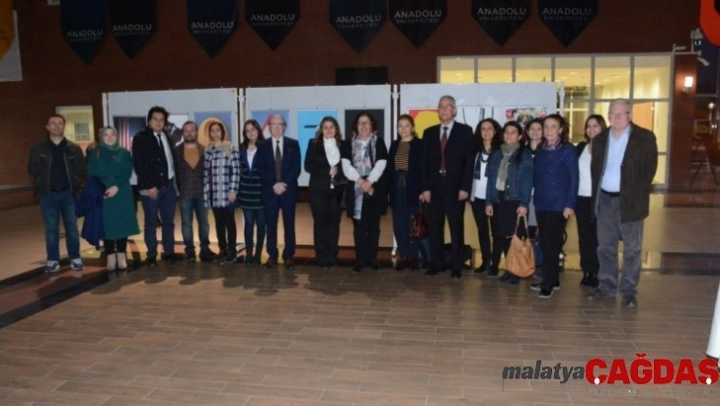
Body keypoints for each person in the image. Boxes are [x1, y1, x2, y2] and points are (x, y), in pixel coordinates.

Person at [588, 99, 658, 308]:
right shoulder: (600, 139)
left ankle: (628, 291)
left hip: (630, 202)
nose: (616, 117)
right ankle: (607, 287)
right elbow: (595, 169)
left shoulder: (644, 138)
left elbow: (650, 169)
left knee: (632, 249)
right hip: (604, 200)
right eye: (612, 113)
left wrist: (635, 192)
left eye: (621, 113)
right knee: (605, 247)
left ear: (630, 115)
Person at [420, 95, 475, 280]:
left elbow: (469, 163)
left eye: (447, 106)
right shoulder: (429, 133)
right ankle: (436, 264)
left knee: (456, 228)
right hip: (434, 189)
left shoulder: (465, 131)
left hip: (456, 189)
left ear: (454, 110)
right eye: (441, 106)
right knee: (435, 228)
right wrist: (425, 188)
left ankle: (456, 267)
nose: (444, 109)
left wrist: (465, 188)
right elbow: (424, 163)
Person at [28, 114, 86, 273]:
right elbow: (32, 169)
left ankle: (75, 258)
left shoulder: (73, 149)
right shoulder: (39, 149)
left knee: (72, 228)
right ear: (47, 127)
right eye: (53, 123)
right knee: (51, 229)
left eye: (60, 123)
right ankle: (53, 260)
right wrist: (41, 183)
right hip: (48, 195)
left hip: (68, 194)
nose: (57, 126)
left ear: (64, 126)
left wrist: (76, 184)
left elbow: (81, 169)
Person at [530, 114, 579, 299]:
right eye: (546, 126)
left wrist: (570, 204)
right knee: (545, 242)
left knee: (551, 244)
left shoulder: (568, 150)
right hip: (541, 203)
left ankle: (548, 283)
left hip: (559, 204)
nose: (549, 130)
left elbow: (574, 179)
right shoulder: (541, 150)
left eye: (553, 126)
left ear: (561, 129)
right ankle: (554, 279)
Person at [484, 121, 534, 285]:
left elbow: (527, 181)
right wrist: (488, 202)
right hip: (498, 199)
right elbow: (491, 180)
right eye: (506, 132)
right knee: (502, 235)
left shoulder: (524, 154)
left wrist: (524, 203)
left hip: (514, 200)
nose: (509, 135)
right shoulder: (496, 153)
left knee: (514, 237)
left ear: (519, 136)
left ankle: (516, 272)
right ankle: (509, 269)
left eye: (513, 132)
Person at [87, 126, 139, 272]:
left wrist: (117, 186)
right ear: (101, 137)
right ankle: (110, 257)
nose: (109, 138)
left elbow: (127, 171)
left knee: (122, 225)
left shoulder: (124, 152)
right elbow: (91, 173)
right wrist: (101, 190)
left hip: (121, 192)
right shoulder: (95, 153)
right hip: (103, 193)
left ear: (117, 137)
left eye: (112, 135)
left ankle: (121, 256)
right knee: (107, 225)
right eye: (106, 135)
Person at [341, 112, 389, 273]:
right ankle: (360, 260)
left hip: (374, 189)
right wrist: (361, 181)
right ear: (356, 126)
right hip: (356, 189)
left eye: (366, 123)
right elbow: (346, 166)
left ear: (372, 125)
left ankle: (372, 259)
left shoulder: (379, 142)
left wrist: (369, 181)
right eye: (360, 123)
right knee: (359, 227)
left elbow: (381, 163)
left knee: (374, 227)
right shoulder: (347, 143)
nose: (363, 126)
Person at [132, 106, 178, 267]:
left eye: (161, 120)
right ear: (149, 121)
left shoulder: (166, 136)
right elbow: (139, 164)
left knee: (168, 222)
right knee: (151, 223)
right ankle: (151, 254)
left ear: (165, 122)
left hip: (168, 187)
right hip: (151, 189)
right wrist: (149, 185)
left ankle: (169, 252)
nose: (158, 122)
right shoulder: (141, 138)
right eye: (155, 119)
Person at [257, 115, 301, 269]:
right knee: (271, 225)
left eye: (280, 124)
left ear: (284, 127)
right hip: (270, 191)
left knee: (289, 224)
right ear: (269, 127)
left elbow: (296, 168)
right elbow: (260, 168)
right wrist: (274, 184)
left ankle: (288, 255)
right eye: (273, 124)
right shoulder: (262, 145)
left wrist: (283, 184)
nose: (276, 127)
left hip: (288, 191)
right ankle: (272, 255)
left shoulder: (293, 144)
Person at [305, 116, 346, 269]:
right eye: (325, 127)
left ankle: (332, 257)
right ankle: (321, 257)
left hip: (337, 192)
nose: (328, 130)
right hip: (318, 191)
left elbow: (347, 166)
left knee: (334, 225)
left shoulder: (343, 145)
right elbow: (308, 165)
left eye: (331, 127)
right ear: (321, 130)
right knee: (320, 224)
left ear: (336, 129)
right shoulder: (313, 144)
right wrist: (326, 171)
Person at [388, 114, 426, 271]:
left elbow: (424, 168)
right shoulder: (394, 144)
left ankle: (413, 257)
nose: (403, 129)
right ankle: (404, 256)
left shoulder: (420, 144)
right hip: (397, 188)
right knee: (399, 224)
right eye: (400, 126)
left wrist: (423, 190)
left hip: (413, 189)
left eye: (406, 126)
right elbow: (390, 169)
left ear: (413, 127)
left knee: (413, 224)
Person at [174, 121, 216, 263]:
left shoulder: (205, 150)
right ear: (183, 133)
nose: (189, 133)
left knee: (204, 223)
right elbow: (174, 173)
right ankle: (190, 251)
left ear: (196, 132)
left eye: (191, 130)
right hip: (184, 193)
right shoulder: (176, 151)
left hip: (202, 193)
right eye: (186, 130)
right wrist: (177, 190)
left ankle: (205, 249)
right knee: (186, 224)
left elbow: (210, 172)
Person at [576, 115, 607, 288]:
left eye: (595, 126)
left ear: (602, 128)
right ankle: (586, 270)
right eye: (588, 126)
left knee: (598, 238)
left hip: (600, 200)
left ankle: (596, 272)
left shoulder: (607, 148)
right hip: (581, 199)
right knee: (584, 237)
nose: (591, 129)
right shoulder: (581, 147)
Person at [203, 121, 240, 264]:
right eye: (212, 130)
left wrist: (233, 190)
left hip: (227, 193)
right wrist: (206, 194)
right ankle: (222, 250)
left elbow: (236, 170)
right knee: (218, 223)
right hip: (214, 194)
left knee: (229, 221)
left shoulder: (230, 147)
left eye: (218, 130)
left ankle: (232, 251)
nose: (215, 133)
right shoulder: (208, 150)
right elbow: (205, 173)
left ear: (222, 132)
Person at [470, 118, 502, 276]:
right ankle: (485, 261)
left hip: (495, 198)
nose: (486, 131)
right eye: (483, 129)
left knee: (497, 232)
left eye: (490, 128)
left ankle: (495, 264)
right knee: (482, 231)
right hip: (477, 197)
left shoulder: (501, 152)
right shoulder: (475, 151)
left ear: (495, 131)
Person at [238, 119, 266, 265]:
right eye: (247, 130)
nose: (250, 133)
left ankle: (258, 254)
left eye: (253, 129)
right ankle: (249, 254)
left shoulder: (265, 147)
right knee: (248, 224)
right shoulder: (241, 149)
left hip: (261, 194)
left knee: (261, 224)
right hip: (246, 194)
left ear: (258, 130)